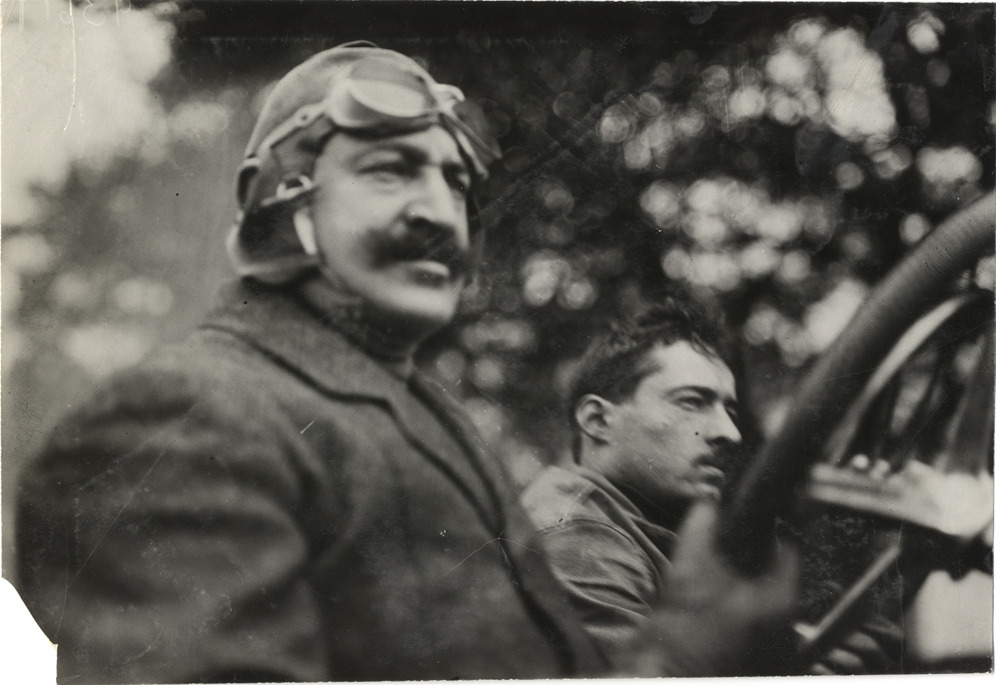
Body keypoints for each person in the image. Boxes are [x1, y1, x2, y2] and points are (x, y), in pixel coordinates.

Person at [16, 43, 798, 684]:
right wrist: (679, 657)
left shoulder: (426, 415)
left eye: (454, 180)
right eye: (388, 170)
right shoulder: (181, 421)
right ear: (275, 196)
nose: (439, 213)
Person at [522, 297, 903, 674]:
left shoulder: (652, 519)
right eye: (692, 402)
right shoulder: (575, 534)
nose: (729, 432)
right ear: (597, 420)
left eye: (729, 410)